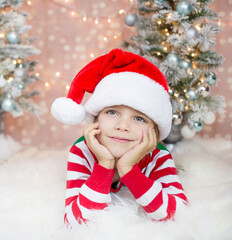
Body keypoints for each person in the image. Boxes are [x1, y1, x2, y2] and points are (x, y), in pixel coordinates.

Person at [51, 49, 188, 226]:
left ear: (154, 131)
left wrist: (129, 169)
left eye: (139, 118)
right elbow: (75, 222)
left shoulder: (158, 156)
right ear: (96, 118)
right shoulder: (82, 151)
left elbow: (180, 216)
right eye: (112, 112)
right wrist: (105, 164)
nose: (123, 126)